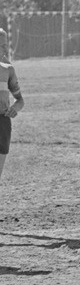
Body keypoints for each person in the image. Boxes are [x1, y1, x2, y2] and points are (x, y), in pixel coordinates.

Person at [0, 29, 24, 181]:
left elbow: (20, 100)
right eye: (1, 45)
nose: (4, 49)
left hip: (2, 123)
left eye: (5, 45)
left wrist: (14, 108)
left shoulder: (8, 69)